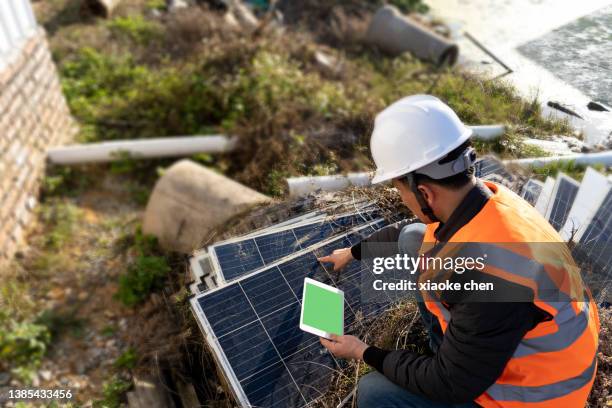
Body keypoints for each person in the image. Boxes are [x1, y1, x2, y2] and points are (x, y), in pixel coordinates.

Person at [318, 95, 599, 408]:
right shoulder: (488, 200)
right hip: (525, 346)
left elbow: (449, 384)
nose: (401, 199)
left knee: (375, 392)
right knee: (415, 238)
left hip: (536, 395)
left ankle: (447, 355)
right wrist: (352, 252)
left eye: (398, 189)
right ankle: (447, 349)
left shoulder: (491, 277)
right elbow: (408, 233)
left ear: (423, 192)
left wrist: (362, 351)